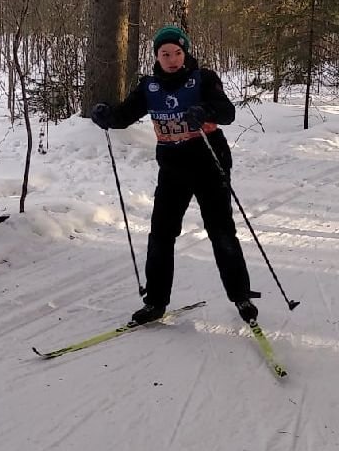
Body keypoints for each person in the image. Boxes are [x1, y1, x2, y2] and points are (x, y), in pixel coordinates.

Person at [90, 25, 259, 325]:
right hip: (173, 169)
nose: (172, 59)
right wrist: (106, 115)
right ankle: (155, 302)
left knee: (220, 231)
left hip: (210, 163)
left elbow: (227, 112)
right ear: (156, 55)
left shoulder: (203, 79)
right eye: (165, 53)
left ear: (186, 53)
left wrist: (204, 110)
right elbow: (124, 116)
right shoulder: (149, 87)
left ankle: (241, 296)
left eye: (177, 53)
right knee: (161, 235)